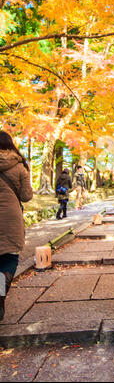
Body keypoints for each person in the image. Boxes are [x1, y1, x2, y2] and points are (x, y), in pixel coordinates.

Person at [0, 131, 33, 321]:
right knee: (9, 256)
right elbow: (26, 196)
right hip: (11, 217)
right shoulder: (19, 166)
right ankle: (1, 288)